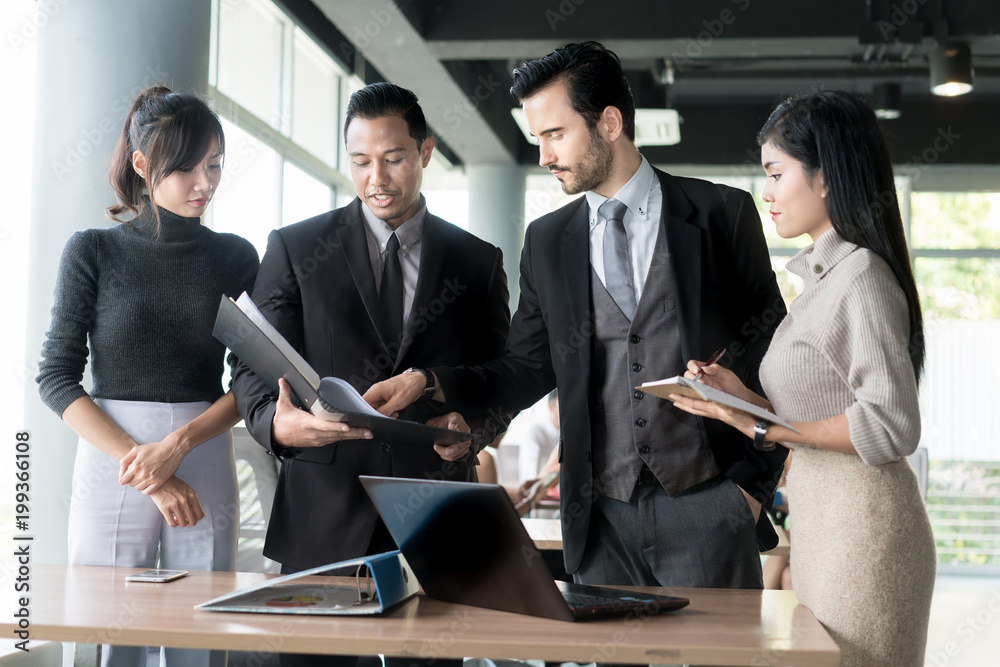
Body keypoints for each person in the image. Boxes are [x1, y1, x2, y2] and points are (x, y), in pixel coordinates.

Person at [365, 42, 788, 591]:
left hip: (708, 506)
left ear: (610, 122)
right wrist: (432, 381)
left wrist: (749, 489)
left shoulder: (719, 215)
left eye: (555, 135)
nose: (543, 156)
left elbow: (774, 348)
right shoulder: (547, 240)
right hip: (599, 520)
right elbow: (526, 365)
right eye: (537, 138)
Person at [230, 82, 509, 667]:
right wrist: (276, 426)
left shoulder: (476, 261)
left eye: (394, 158)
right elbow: (249, 364)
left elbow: (502, 375)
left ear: (426, 151)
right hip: (323, 513)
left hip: (434, 511)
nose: (376, 178)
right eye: (360, 162)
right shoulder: (295, 246)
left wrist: (472, 424)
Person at [668, 90, 935, 666]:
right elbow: (824, 408)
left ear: (825, 177)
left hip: (865, 532)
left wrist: (763, 430)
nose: (766, 191)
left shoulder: (861, 274)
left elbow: (891, 426)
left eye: (775, 172)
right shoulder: (824, 279)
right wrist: (741, 398)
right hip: (826, 525)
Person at [36, 86, 259, 667]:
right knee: (106, 634)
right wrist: (149, 471)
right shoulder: (92, 251)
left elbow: (251, 380)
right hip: (115, 457)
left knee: (201, 630)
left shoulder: (235, 256)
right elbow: (56, 378)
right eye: (186, 167)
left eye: (213, 164)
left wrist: (179, 445)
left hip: (204, 444)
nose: (204, 182)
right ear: (142, 165)